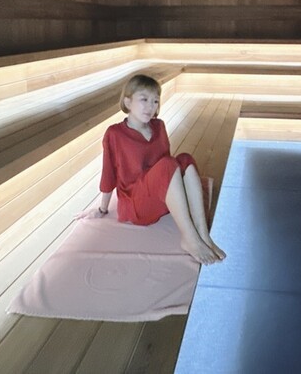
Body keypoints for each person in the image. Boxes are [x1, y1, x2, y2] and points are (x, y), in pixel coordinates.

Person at [79, 74, 226, 265]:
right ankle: (189, 238)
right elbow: (108, 174)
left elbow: (168, 172)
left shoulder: (159, 126)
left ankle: (203, 234)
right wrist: (102, 209)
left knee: (185, 158)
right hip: (136, 204)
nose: (150, 106)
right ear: (128, 102)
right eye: (144, 99)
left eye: (155, 101)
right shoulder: (115, 134)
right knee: (168, 164)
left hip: (158, 197)